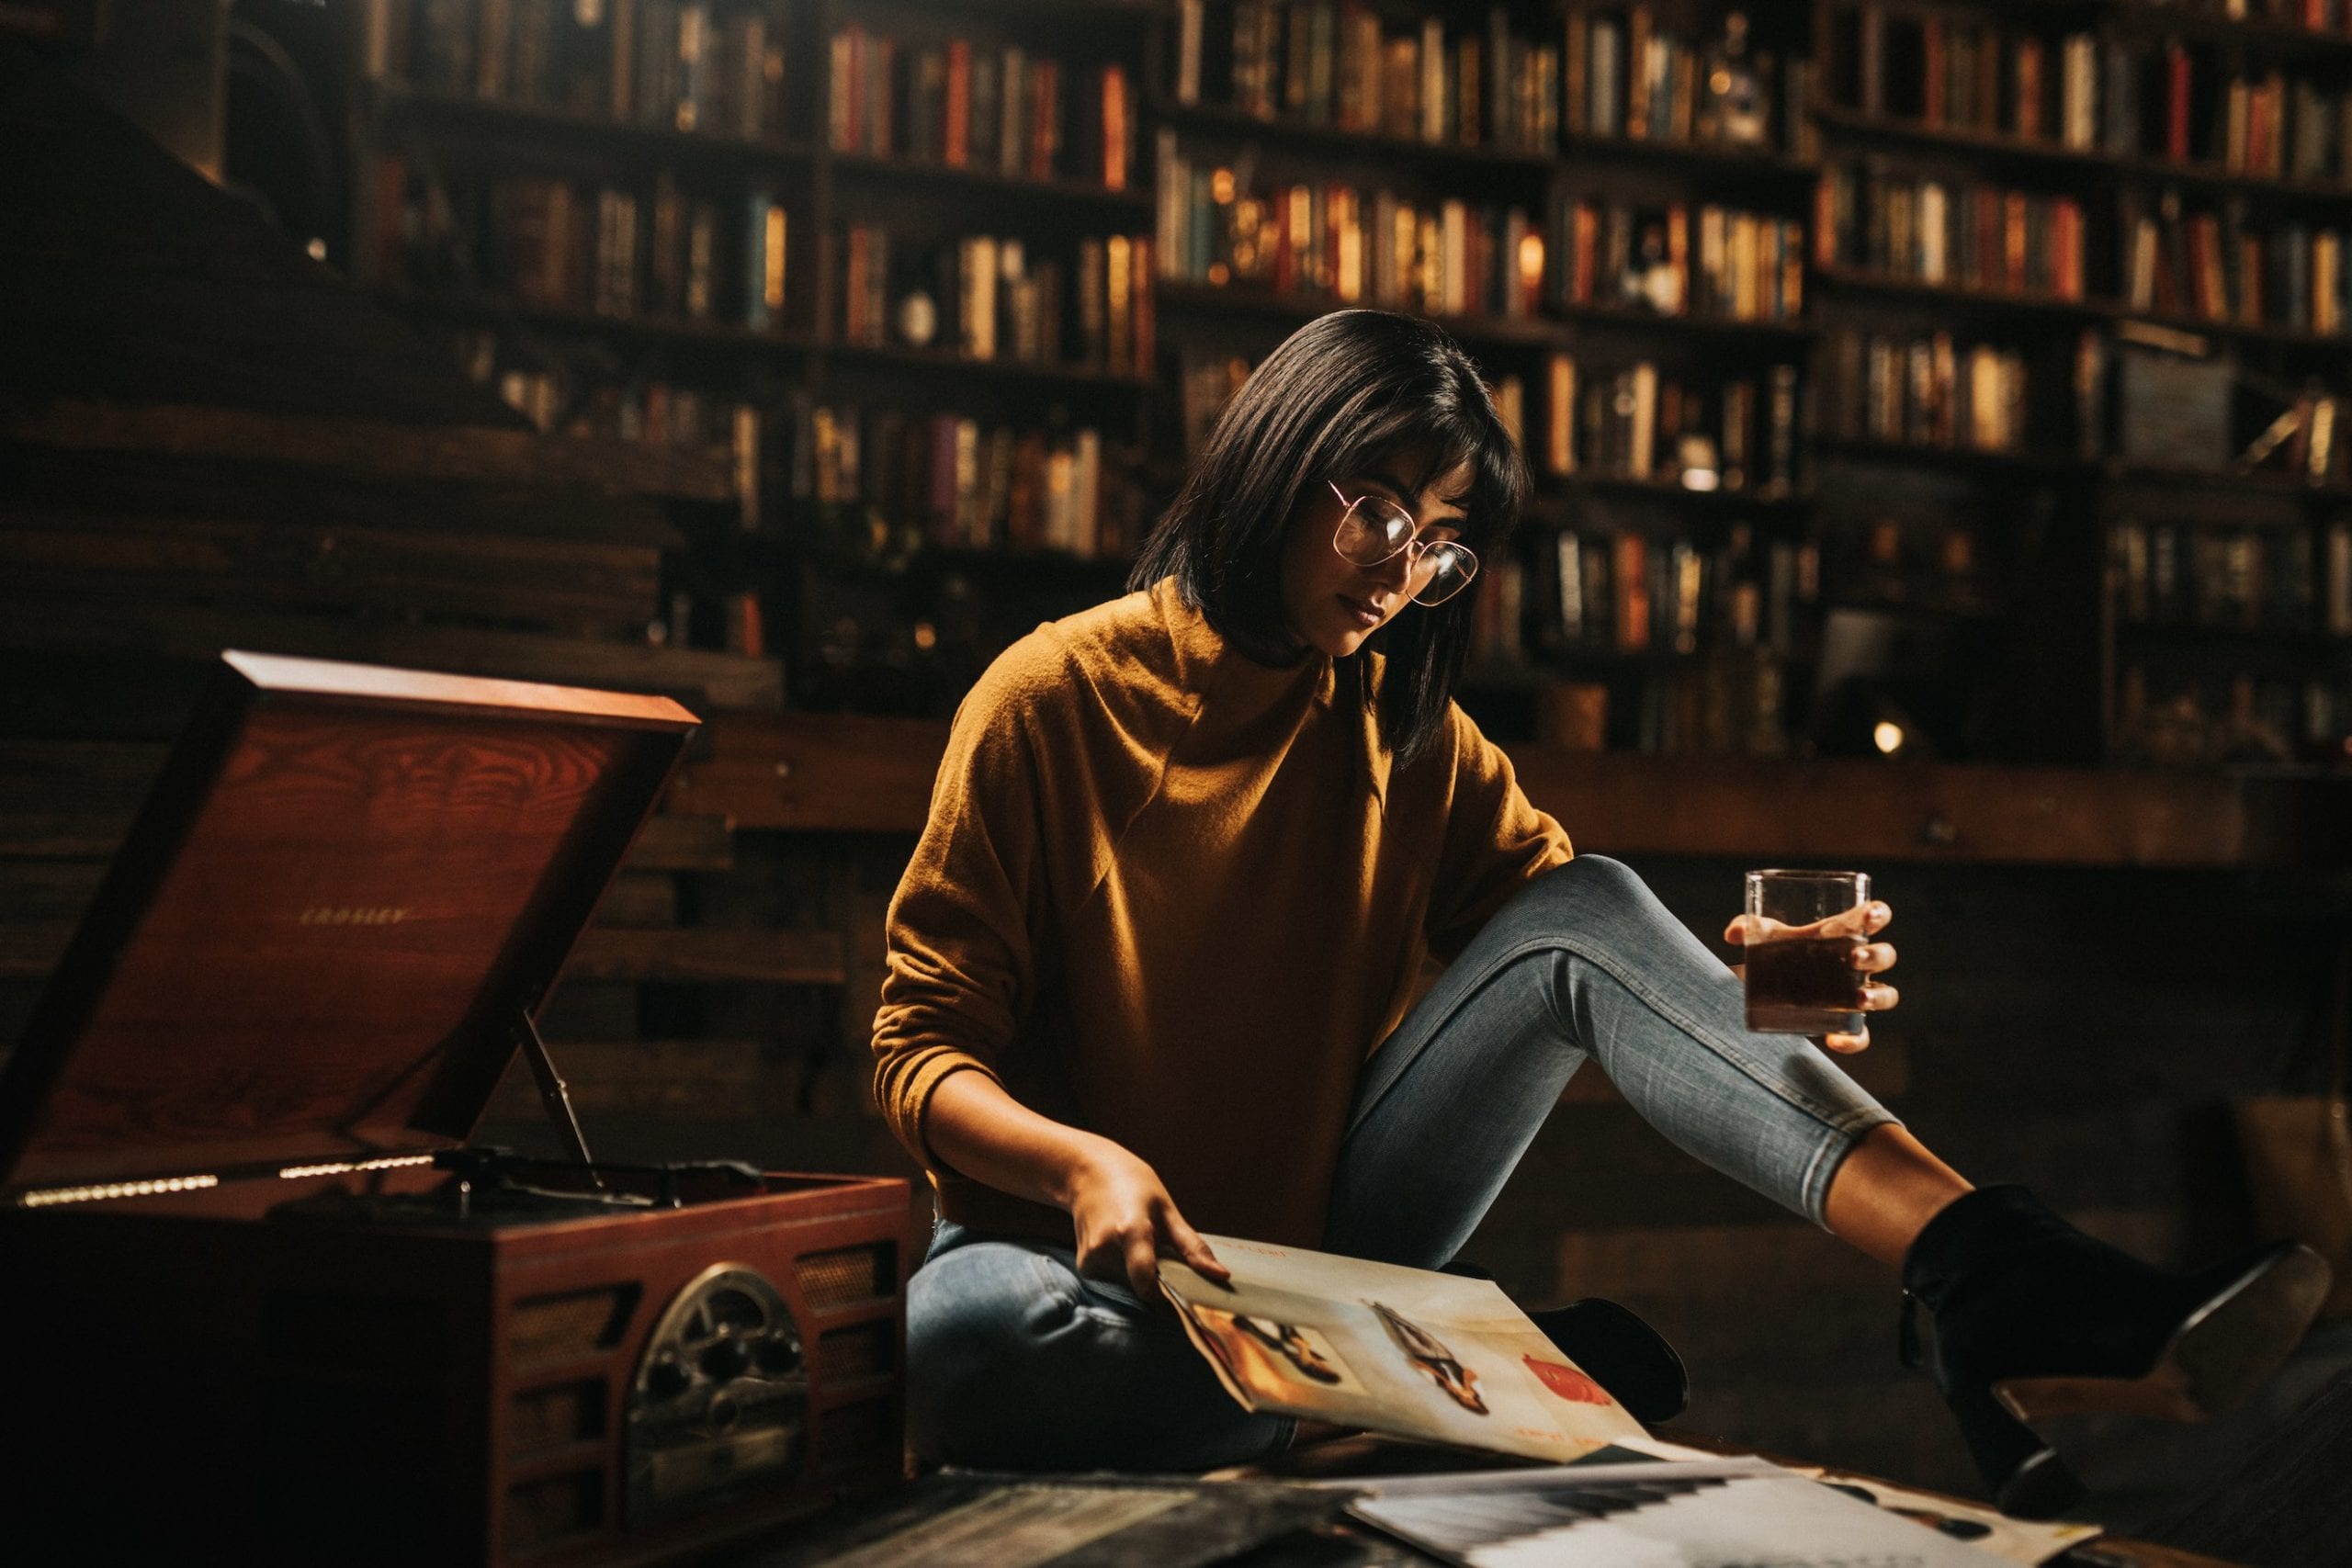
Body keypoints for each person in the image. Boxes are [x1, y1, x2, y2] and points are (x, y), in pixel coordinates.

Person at [869, 310, 2329, 1517]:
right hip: (1089, 1267)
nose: (1402, 572)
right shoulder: (1054, 694)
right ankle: (1450, 1390)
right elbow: (918, 1048)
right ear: (1276, 459)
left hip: (1315, 1250)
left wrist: (1739, 976)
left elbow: (1571, 944)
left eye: (1442, 544)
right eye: (1377, 507)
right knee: (958, 1342)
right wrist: (1080, 1172)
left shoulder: (1402, 733)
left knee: (1597, 902)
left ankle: (1991, 1272)